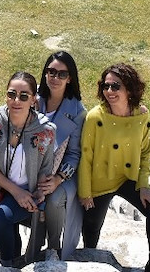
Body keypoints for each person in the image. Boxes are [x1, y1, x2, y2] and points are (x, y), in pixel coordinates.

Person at [78, 63, 150, 272]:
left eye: (115, 86)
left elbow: (146, 152)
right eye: (106, 86)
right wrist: (85, 192)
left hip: (128, 177)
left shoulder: (141, 115)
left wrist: (144, 185)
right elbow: (86, 156)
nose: (109, 91)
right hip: (100, 181)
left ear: (129, 88)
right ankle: (92, 265)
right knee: (91, 229)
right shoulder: (95, 116)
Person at [0, 72, 56, 268]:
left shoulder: (45, 130)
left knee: (2, 216)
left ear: (33, 99)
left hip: (30, 193)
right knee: (2, 220)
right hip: (1, 189)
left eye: (23, 96)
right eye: (11, 94)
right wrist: (16, 191)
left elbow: (46, 168)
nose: (16, 101)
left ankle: (9, 265)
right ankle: (9, 264)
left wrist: (38, 193)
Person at [35, 51, 86, 259]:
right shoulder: (33, 100)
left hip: (64, 173)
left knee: (55, 197)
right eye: (51, 72)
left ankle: (54, 246)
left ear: (70, 78)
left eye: (62, 74)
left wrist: (58, 179)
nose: (55, 78)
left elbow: (74, 155)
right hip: (33, 167)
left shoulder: (77, 111)